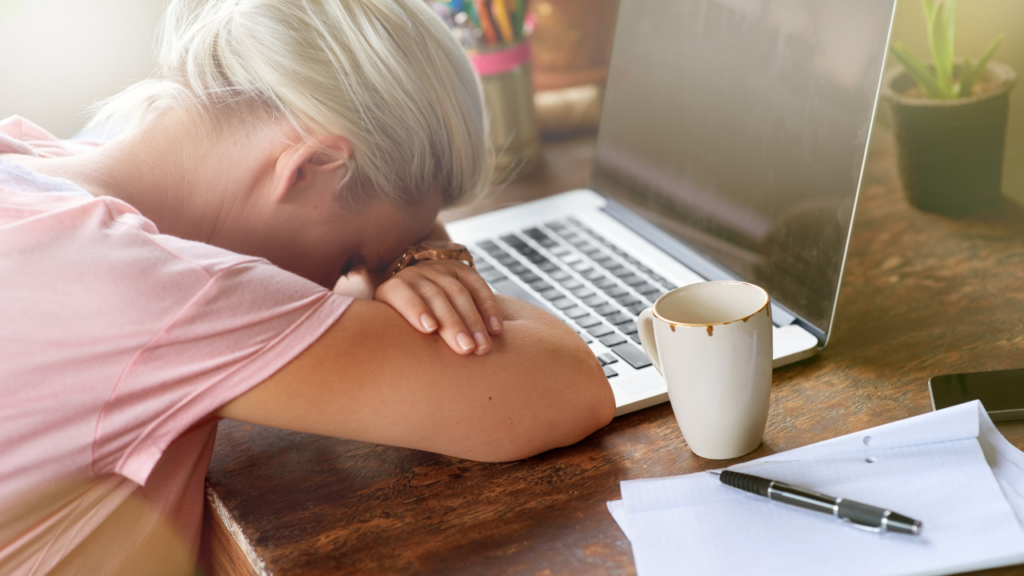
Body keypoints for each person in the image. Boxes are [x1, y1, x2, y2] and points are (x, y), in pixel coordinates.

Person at [0, 0, 615, 573]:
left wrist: (416, 248)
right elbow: (566, 386)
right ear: (311, 165)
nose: (346, 283)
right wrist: (436, 260)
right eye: (354, 256)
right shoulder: (156, 290)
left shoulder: (33, 157)